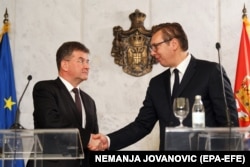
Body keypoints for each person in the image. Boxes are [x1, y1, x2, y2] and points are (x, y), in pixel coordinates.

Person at [89, 22, 239, 151]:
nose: (152, 53)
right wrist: (108, 141)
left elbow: (228, 124)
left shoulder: (210, 72)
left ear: (173, 44)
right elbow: (142, 125)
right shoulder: (157, 83)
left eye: (155, 46)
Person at [26, 41, 101, 167]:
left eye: (87, 62)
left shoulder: (89, 101)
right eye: (81, 61)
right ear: (65, 65)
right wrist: (87, 139)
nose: (87, 66)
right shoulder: (45, 89)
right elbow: (50, 122)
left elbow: (93, 140)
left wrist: (99, 143)